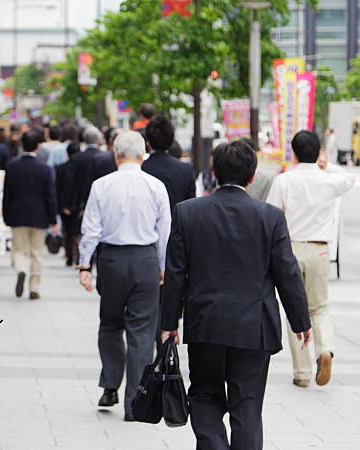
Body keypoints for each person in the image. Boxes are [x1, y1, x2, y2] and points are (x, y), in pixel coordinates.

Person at [161, 139, 312, 449]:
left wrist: (168, 322)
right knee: (247, 404)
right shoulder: (269, 217)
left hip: (205, 323)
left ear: (213, 172)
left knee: (204, 394)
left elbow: (175, 273)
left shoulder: (188, 212)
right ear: (252, 176)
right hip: (253, 327)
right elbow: (287, 273)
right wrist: (301, 321)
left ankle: (214, 445)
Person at [78, 130, 171, 422]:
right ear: (143, 155)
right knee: (142, 331)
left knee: (110, 323)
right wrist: (163, 267)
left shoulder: (101, 185)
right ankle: (134, 403)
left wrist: (84, 266)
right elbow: (165, 233)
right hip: (145, 260)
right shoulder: (157, 186)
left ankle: (109, 383)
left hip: (112, 261)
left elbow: (90, 229)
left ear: (115, 154)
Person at [266, 130, 354, 388]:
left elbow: (271, 215)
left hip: (289, 249)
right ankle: (324, 349)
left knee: (295, 308)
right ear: (318, 153)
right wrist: (328, 165)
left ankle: (302, 372)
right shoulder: (327, 179)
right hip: (319, 249)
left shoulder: (284, 181)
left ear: (293, 152)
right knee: (320, 307)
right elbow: (347, 179)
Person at [3, 129, 59, 300]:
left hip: (17, 214)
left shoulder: (12, 166)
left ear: (22, 145)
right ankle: (34, 288)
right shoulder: (45, 168)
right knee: (37, 252)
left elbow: (7, 193)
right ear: (38, 146)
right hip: (39, 215)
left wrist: (5, 215)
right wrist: (53, 219)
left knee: (19, 249)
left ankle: (20, 270)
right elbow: (50, 196)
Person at [142, 115, 195, 213]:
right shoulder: (186, 169)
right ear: (171, 141)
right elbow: (191, 207)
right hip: (177, 226)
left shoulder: (141, 168)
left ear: (147, 141)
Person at [55, 141, 81, 266]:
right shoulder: (81, 169)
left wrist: (61, 206)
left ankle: (69, 256)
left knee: (67, 231)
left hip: (64, 205)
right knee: (77, 232)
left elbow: (58, 188)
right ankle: (77, 256)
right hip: (77, 205)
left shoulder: (60, 168)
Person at [73, 126, 103, 211]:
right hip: (99, 198)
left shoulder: (76, 158)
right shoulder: (103, 157)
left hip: (80, 199)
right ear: (99, 139)